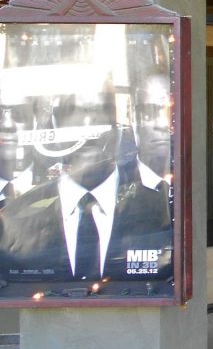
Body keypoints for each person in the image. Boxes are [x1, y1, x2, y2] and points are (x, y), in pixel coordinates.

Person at [0, 74, 172, 285]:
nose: (90, 127)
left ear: (117, 123)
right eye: (76, 112)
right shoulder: (18, 217)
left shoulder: (160, 208)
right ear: (56, 122)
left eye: (101, 111)